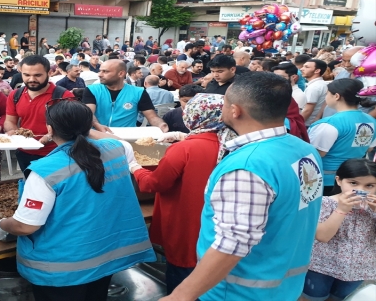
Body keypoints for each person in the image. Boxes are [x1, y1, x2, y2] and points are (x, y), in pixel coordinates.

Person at [161, 72, 324, 301]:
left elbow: (233, 243)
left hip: (237, 292)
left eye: (225, 103)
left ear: (235, 110)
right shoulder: (304, 150)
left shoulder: (247, 166)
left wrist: (180, 296)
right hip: (284, 286)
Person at [0, 99, 155, 300]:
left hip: (63, 269)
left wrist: (0, 226)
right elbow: (109, 139)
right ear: (89, 126)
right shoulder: (117, 148)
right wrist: (86, 129)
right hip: (106, 256)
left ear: (49, 129)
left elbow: (26, 226)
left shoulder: (45, 171)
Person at [133, 94, 234, 293]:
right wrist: (184, 136)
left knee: (182, 280)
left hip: (186, 228)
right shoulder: (233, 144)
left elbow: (154, 183)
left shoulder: (185, 149)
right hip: (222, 229)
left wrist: (135, 167)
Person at [300, 158, 376, 301]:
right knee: (312, 298)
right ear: (339, 180)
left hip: (358, 269)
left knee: (340, 298)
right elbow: (322, 236)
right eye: (353, 183)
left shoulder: (372, 208)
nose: (361, 190)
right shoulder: (324, 203)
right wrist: (341, 210)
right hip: (321, 267)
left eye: (370, 185)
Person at [4, 55, 75, 173]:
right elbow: (10, 120)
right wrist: (13, 131)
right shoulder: (15, 95)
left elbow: (73, 127)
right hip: (24, 151)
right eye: (26, 75)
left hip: (55, 153)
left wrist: (50, 136)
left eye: (37, 75)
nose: (31, 79)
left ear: (50, 73)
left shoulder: (64, 96)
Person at [308, 79, 375, 195]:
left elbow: (315, 154)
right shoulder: (371, 120)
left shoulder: (329, 124)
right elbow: (369, 148)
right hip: (354, 179)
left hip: (327, 181)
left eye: (327, 93)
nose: (326, 97)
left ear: (337, 96)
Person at [83, 60, 169, 131]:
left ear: (121, 74)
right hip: (98, 136)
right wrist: (97, 124)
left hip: (126, 137)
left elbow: (152, 116)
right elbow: (89, 113)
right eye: (100, 70)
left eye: (105, 71)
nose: (99, 74)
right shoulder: (92, 90)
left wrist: (161, 124)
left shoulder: (138, 92)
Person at [301, 59, 329, 126]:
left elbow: (307, 110)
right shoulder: (320, 84)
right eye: (303, 66)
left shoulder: (314, 87)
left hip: (307, 124)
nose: (302, 69)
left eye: (306, 67)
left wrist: (298, 125)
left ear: (317, 70)